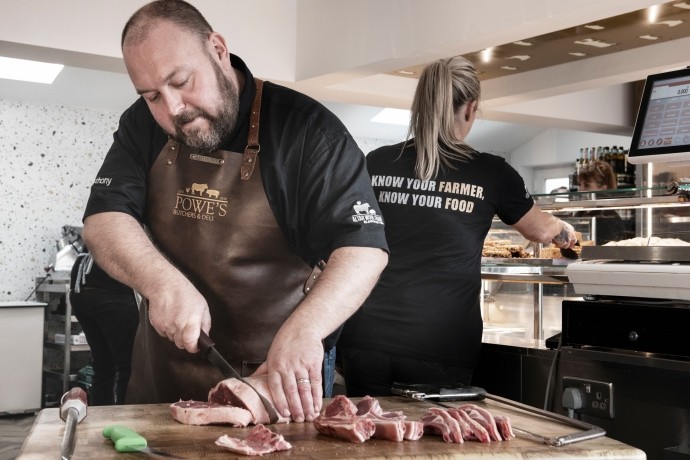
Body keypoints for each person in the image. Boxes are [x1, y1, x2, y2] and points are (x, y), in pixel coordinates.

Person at [81, 0, 388, 422]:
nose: (172, 109)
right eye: (152, 96)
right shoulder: (142, 124)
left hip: (268, 383)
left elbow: (363, 247)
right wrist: (161, 282)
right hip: (160, 379)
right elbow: (103, 219)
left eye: (181, 81)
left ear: (218, 50)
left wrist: (306, 331)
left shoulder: (307, 132)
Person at [337, 56, 577, 397]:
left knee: (366, 440)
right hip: (440, 342)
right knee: (431, 443)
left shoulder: (376, 162)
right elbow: (541, 231)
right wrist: (566, 232)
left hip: (364, 336)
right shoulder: (491, 172)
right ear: (471, 108)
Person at [69, 252, 139, 405]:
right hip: (109, 283)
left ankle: (102, 420)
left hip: (81, 284)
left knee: (103, 365)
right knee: (129, 366)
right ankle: (125, 422)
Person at [576, 160, 625, 244]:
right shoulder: (580, 214)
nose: (581, 190)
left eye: (587, 185)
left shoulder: (609, 218)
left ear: (603, 188)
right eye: (580, 185)